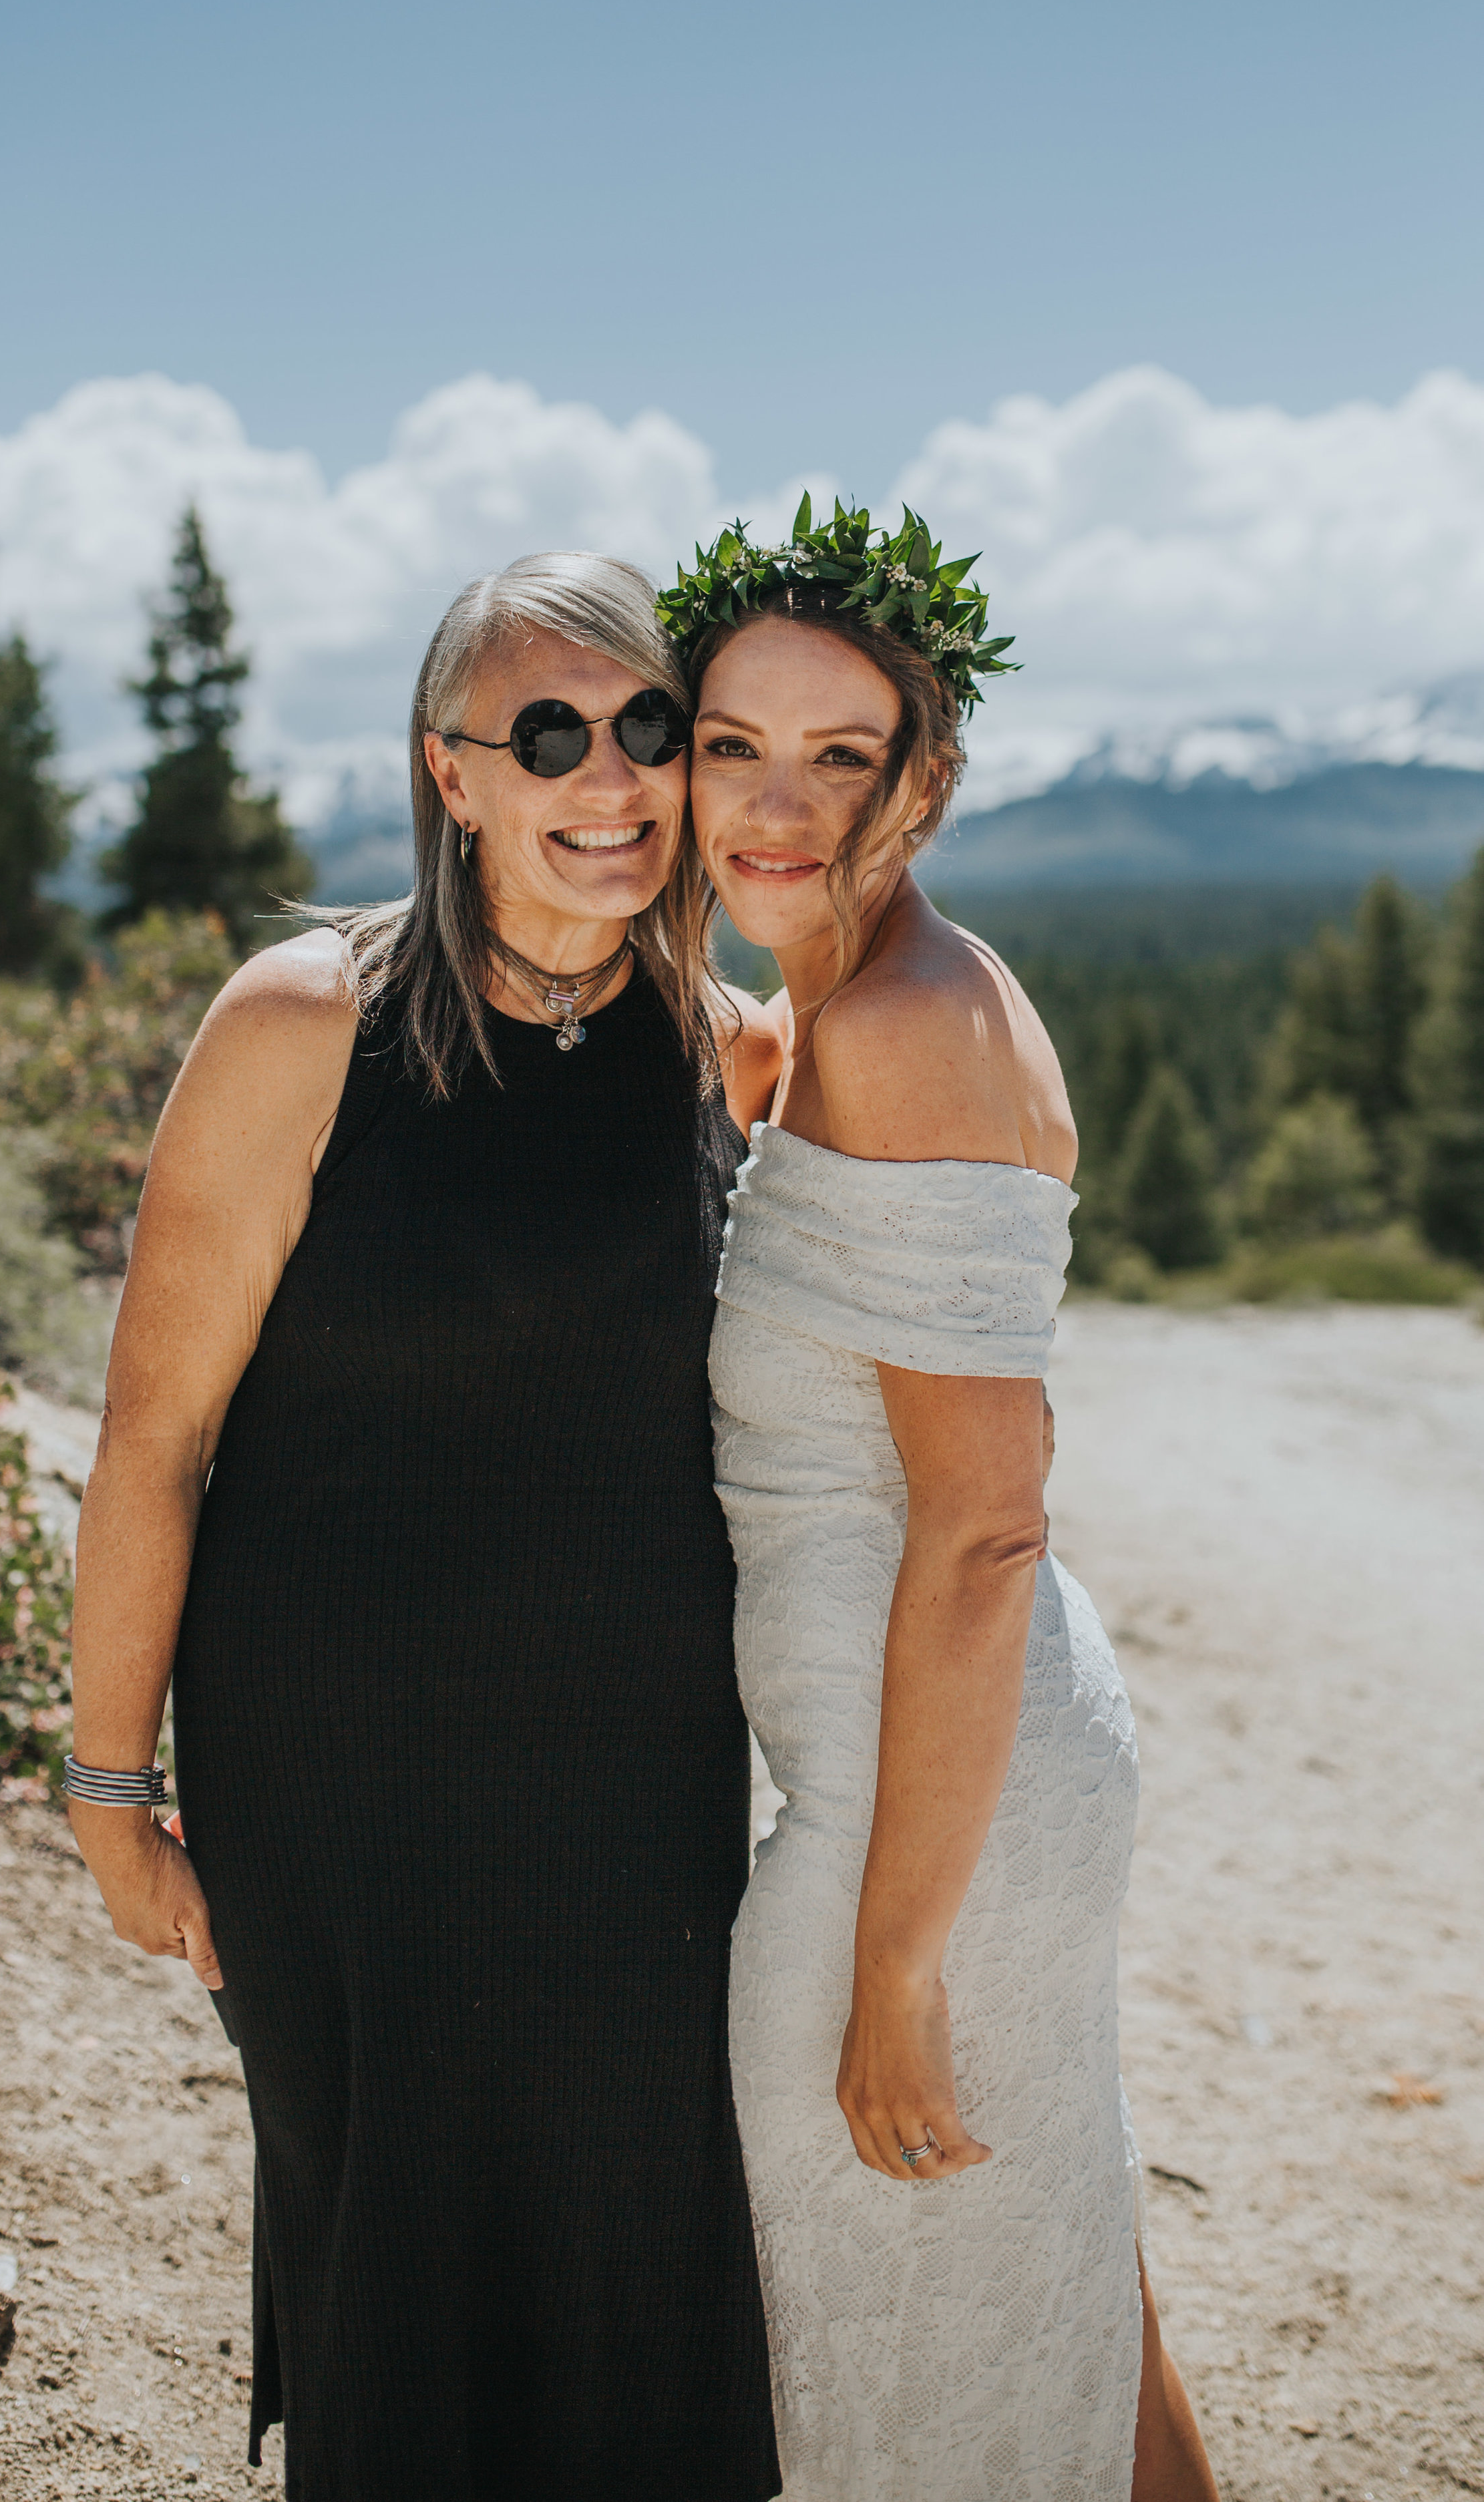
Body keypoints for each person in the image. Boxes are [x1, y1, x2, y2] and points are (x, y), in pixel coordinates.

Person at [65, 552, 783, 2501]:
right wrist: (108, 1787)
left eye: (648, 725)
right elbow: (156, 1435)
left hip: (639, 1796)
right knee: (396, 2281)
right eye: (546, 732)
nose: (610, 774)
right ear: (450, 774)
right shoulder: (308, 1021)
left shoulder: (731, 1054)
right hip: (340, 1790)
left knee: (644, 2285)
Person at [665, 506, 1219, 2499]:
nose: (774, 803)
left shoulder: (897, 1027)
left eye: (839, 756)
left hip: (926, 1818)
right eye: (733, 744)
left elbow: (985, 1525)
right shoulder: (870, 1006)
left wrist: (896, 1962)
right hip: (956, 1770)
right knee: (1059, 2303)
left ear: (928, 773)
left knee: (897, 2362)